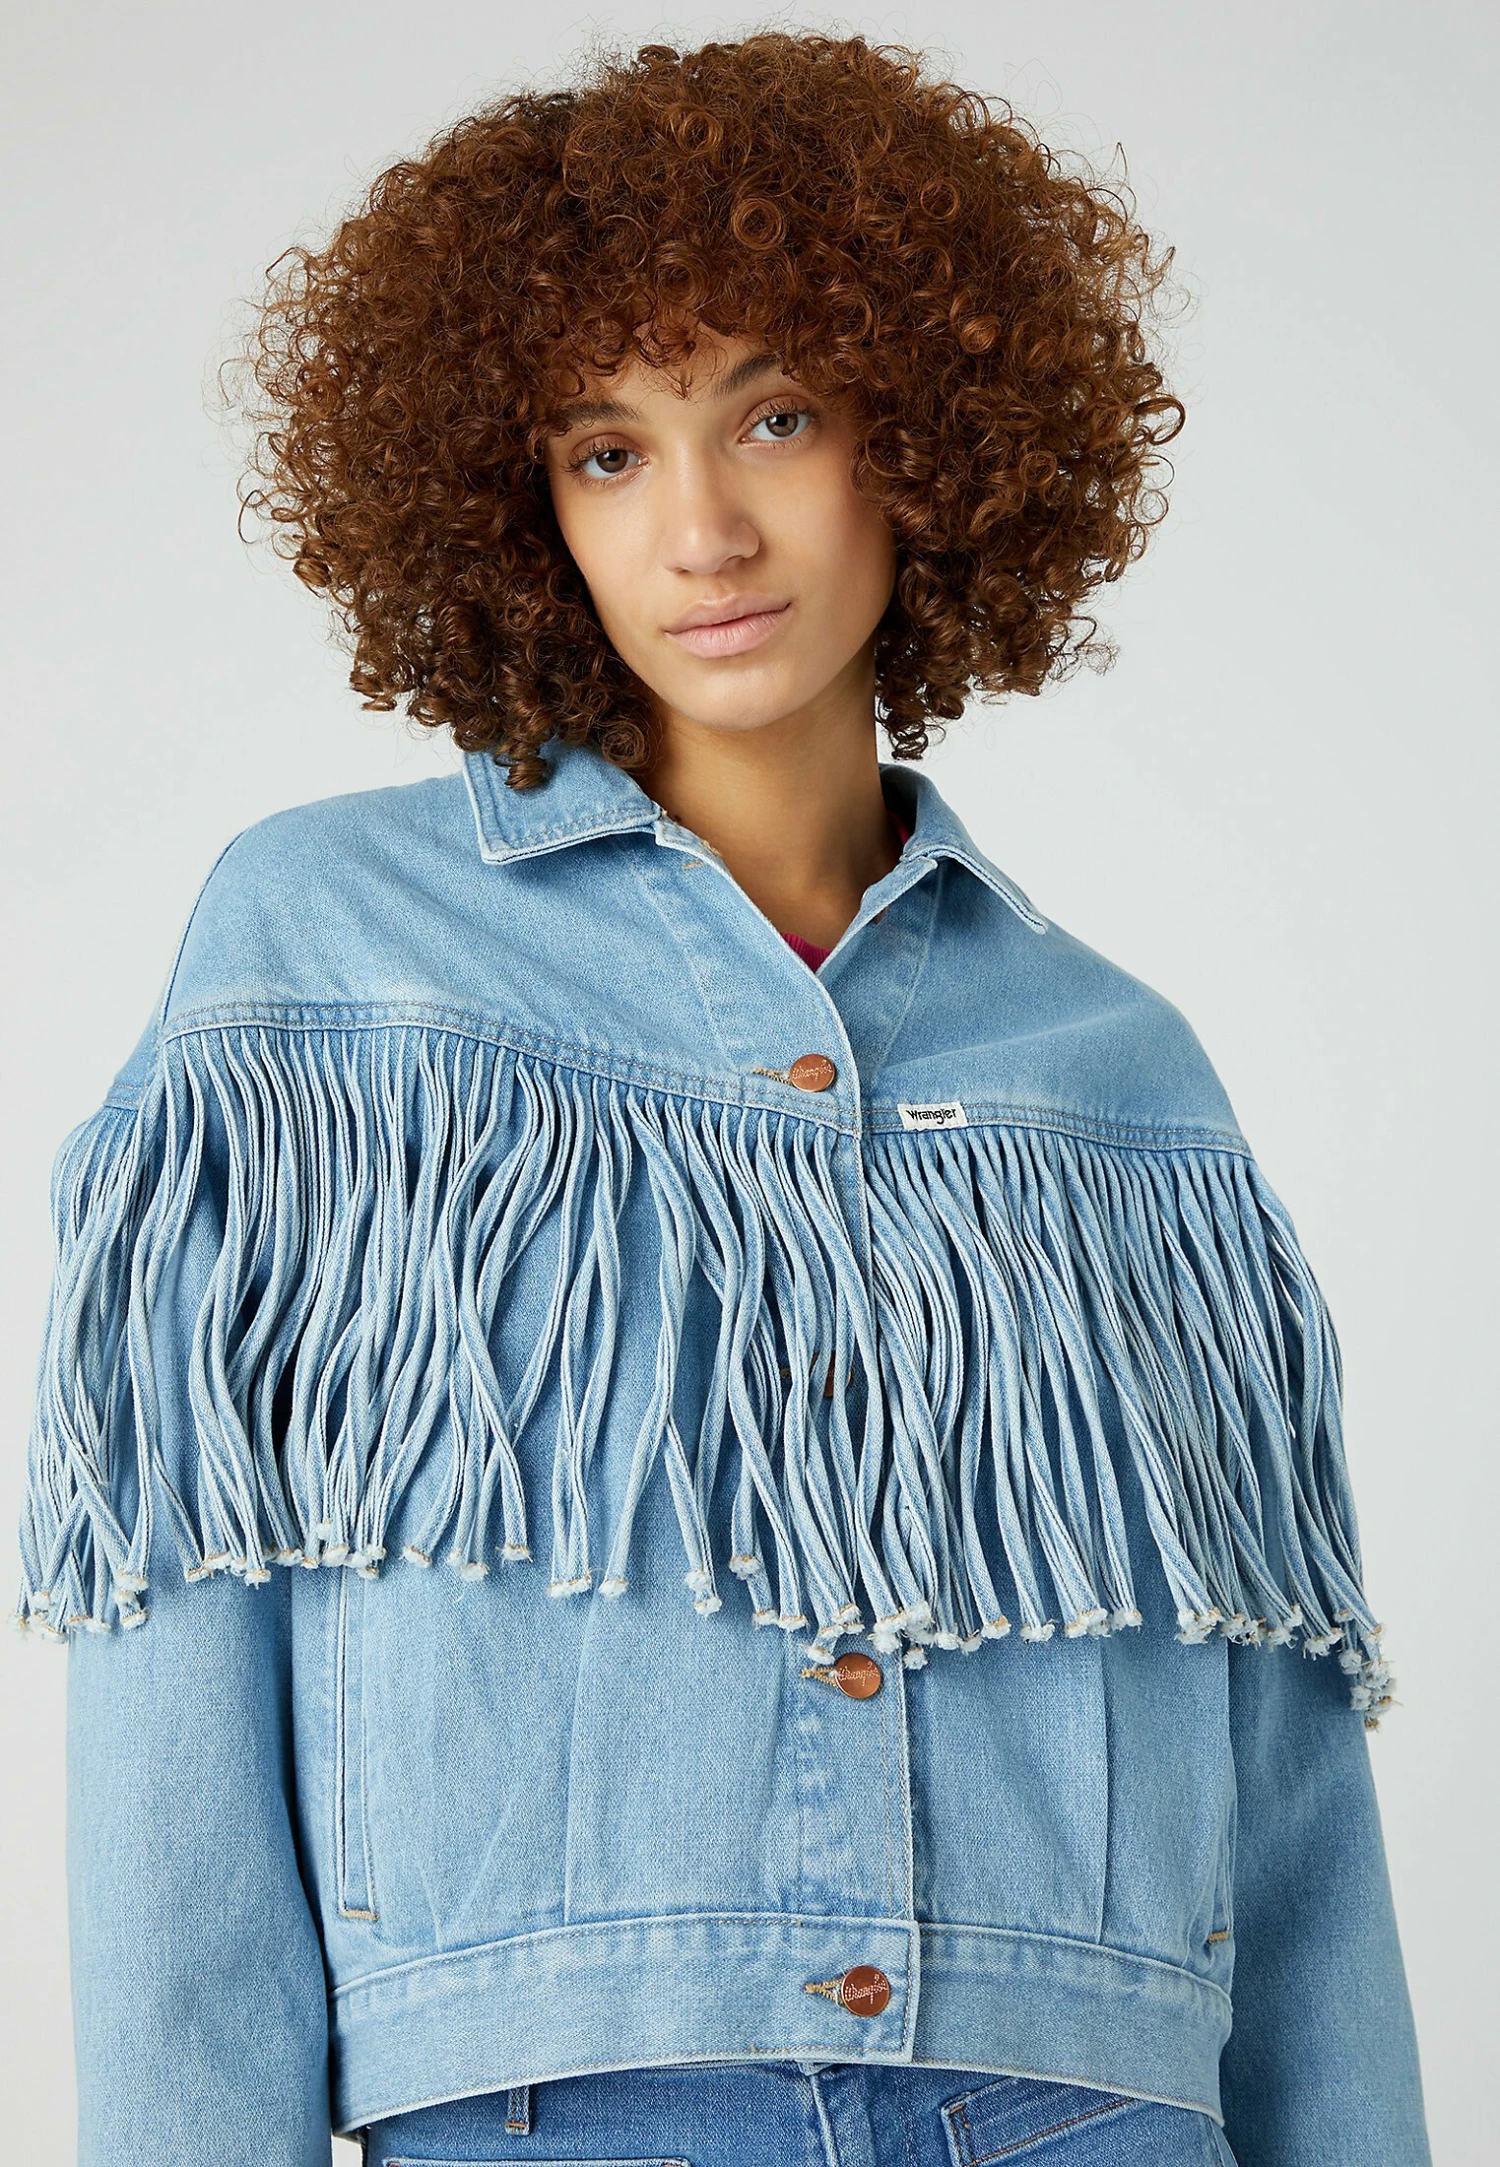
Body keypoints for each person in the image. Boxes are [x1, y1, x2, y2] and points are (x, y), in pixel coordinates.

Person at [16, 29, 1430, 2167]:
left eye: (776, 415)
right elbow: (176, 1676)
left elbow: (1296, 1824)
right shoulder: (322, 960)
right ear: (524, 510)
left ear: (922, 444)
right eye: (608, 451)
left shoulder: (1120, 1072)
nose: (702, 528)